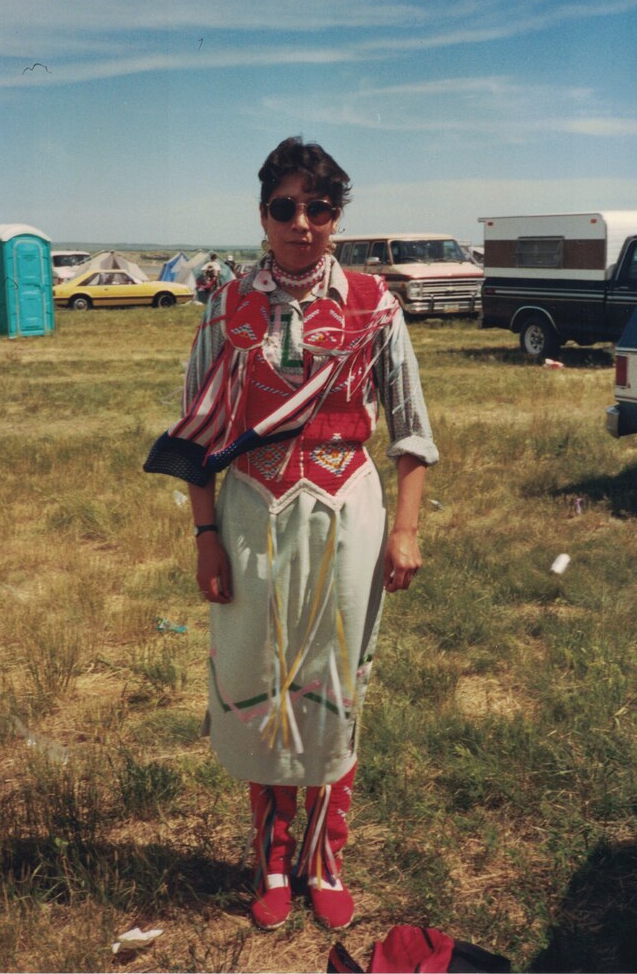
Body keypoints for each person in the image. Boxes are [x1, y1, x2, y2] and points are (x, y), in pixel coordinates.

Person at [144, 137, 438, 932]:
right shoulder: (225, 305)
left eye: (319, 207)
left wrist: (404, 529)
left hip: (347, 510)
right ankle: (272, 858)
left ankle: (324, 855)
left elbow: (411, 434)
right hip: (246, 509)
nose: (301, 222)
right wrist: (205, 537)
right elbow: (197, 435)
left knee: (332, 685)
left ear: (337, 217)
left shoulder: (375, 303)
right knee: (259, 678)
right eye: (285, 207)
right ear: (262, 214)